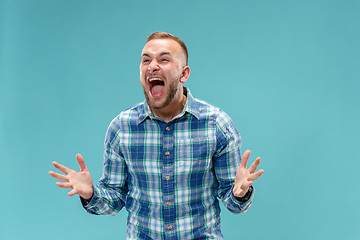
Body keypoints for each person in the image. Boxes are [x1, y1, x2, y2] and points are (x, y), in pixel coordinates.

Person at [49, 32, 264, 239]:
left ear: (184, 74)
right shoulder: (121, 128)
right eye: (146, 60)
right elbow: (113, 200)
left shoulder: (217, 125)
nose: (152, 66)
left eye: (164, 59)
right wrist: (90, 194)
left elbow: (233, 201)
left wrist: (240, 193)